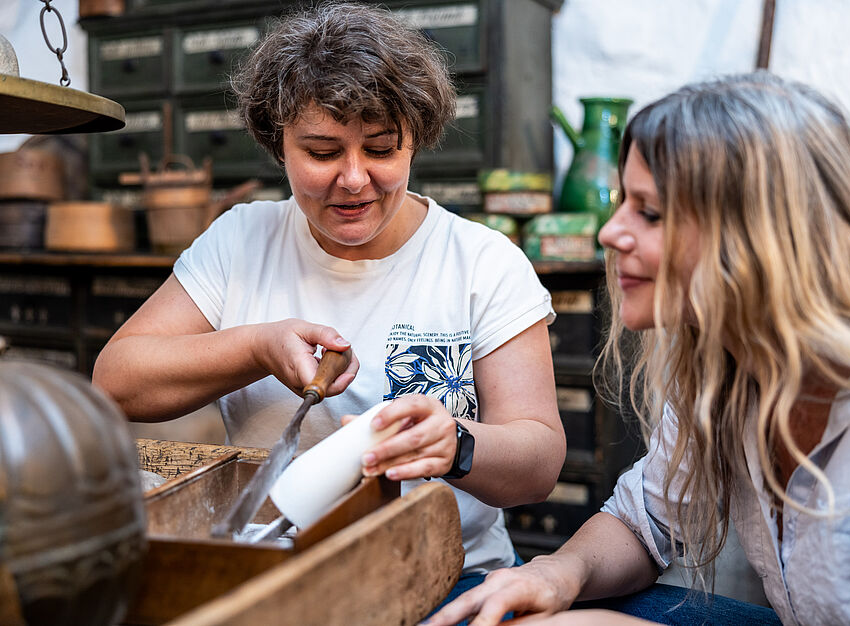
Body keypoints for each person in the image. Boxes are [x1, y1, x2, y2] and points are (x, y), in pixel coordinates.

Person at [92, 0, 565, 602]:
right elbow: (115, 380)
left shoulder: (481, 261)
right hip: (281, 570)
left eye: (381, 148)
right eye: (321, 152)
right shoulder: (242, 241)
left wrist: (457, 442)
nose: (354, 179)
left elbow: (541, 461)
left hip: (448, 574)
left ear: (416, 139)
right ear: (278, 144)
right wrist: (256, 346)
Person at [427, 71, 850, 626]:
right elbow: (644, 521)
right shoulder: (732, 369)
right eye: (624, 202)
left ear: (760, 236)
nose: (610, 232)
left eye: (649, 213)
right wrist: (555, 574)